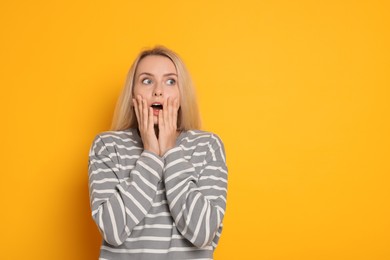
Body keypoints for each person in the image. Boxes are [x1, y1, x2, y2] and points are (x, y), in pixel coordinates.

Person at [88, 46, 228, 260]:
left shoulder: (207, 146)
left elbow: (202, 232)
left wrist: (170, 151)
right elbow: (112, 230)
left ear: (182, 94)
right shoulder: (107, 146)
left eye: (170, 81)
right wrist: (151, 153)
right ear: (132, 94)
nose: (158, 91)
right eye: (147, 80)